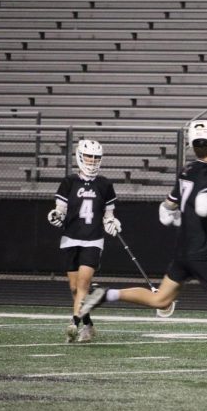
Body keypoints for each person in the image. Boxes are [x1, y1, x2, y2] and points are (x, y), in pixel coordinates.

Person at [79, 120, 207, 380]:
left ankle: (107, 295)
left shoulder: (187, 171)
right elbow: (204, 205)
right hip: (204, 252)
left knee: (161, 300)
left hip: (184, 249)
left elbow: (166, 212)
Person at [47, 139, 121, 343]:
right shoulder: (69, 182)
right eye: (89, 156)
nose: (92, 160)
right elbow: (60, 210)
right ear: (80, 156)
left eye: (96, 157)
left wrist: (113, 223)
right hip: (71, 238)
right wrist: (56, 215)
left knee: (83, 284)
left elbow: (109, 215)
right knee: (74, 287)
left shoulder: (105, 184)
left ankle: (74, 323)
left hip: (93, 239)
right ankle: (88, 325)